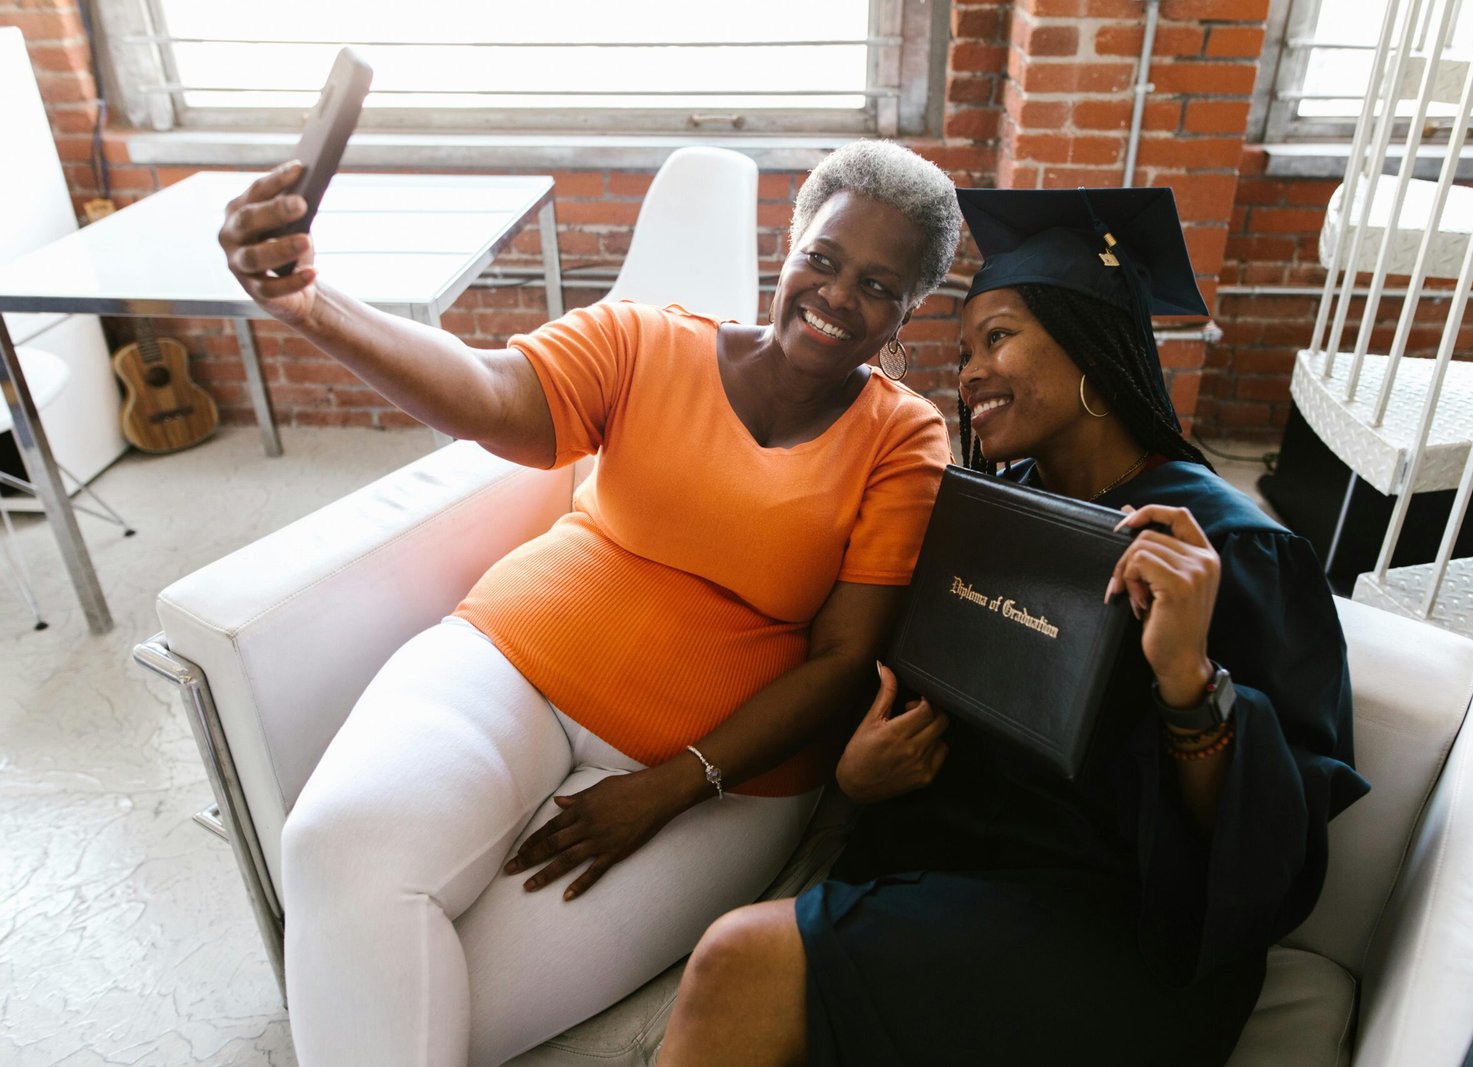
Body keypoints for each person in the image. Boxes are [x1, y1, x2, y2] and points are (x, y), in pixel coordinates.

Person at [215, 139, 963, 1067]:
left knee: (432, 1014)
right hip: (511, 663)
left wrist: (670, 787)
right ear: (790, 241)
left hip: (722, 779)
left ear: (911, 308)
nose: (838, 295)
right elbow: (487, 391)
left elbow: (845, 661)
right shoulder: (643, 340)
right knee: (335, 849)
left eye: (879, 285)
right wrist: (312, 306)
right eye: (824, 258)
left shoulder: (903, 438)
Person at [657, 187, 1371, 1066]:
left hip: (1124, 933)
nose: (970, 374)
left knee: (738, 958)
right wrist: (861, 774)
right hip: (970, 885)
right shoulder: (1000, 519)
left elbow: (1276, 853)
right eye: (963, 353)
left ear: (1090, 347)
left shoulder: (1231, 548)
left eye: (998, 337)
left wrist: (1191, 680)